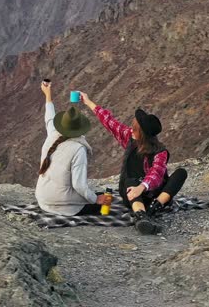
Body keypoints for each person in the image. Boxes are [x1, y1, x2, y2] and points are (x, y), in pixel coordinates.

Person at [78, 92, 187, 235]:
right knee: (130, 182)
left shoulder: (160, 151)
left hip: (151, 191)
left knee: (181, 173)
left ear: (142, 134)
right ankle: (141, 216)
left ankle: (155, 207)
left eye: (134, 128)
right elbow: (109, 122)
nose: (131, 129)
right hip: (132, 194)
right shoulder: (129, 138)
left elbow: (157, 174)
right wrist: (88, 102)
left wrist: (143, 186)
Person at [35, 80, 113, 216]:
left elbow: (49, 119)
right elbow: (79, 185)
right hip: (59, 205)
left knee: (91, 194)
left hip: (42, 198)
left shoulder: (53, 135)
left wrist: (48, 94)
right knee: (101, 199)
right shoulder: (78, 150)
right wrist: (96, 199)